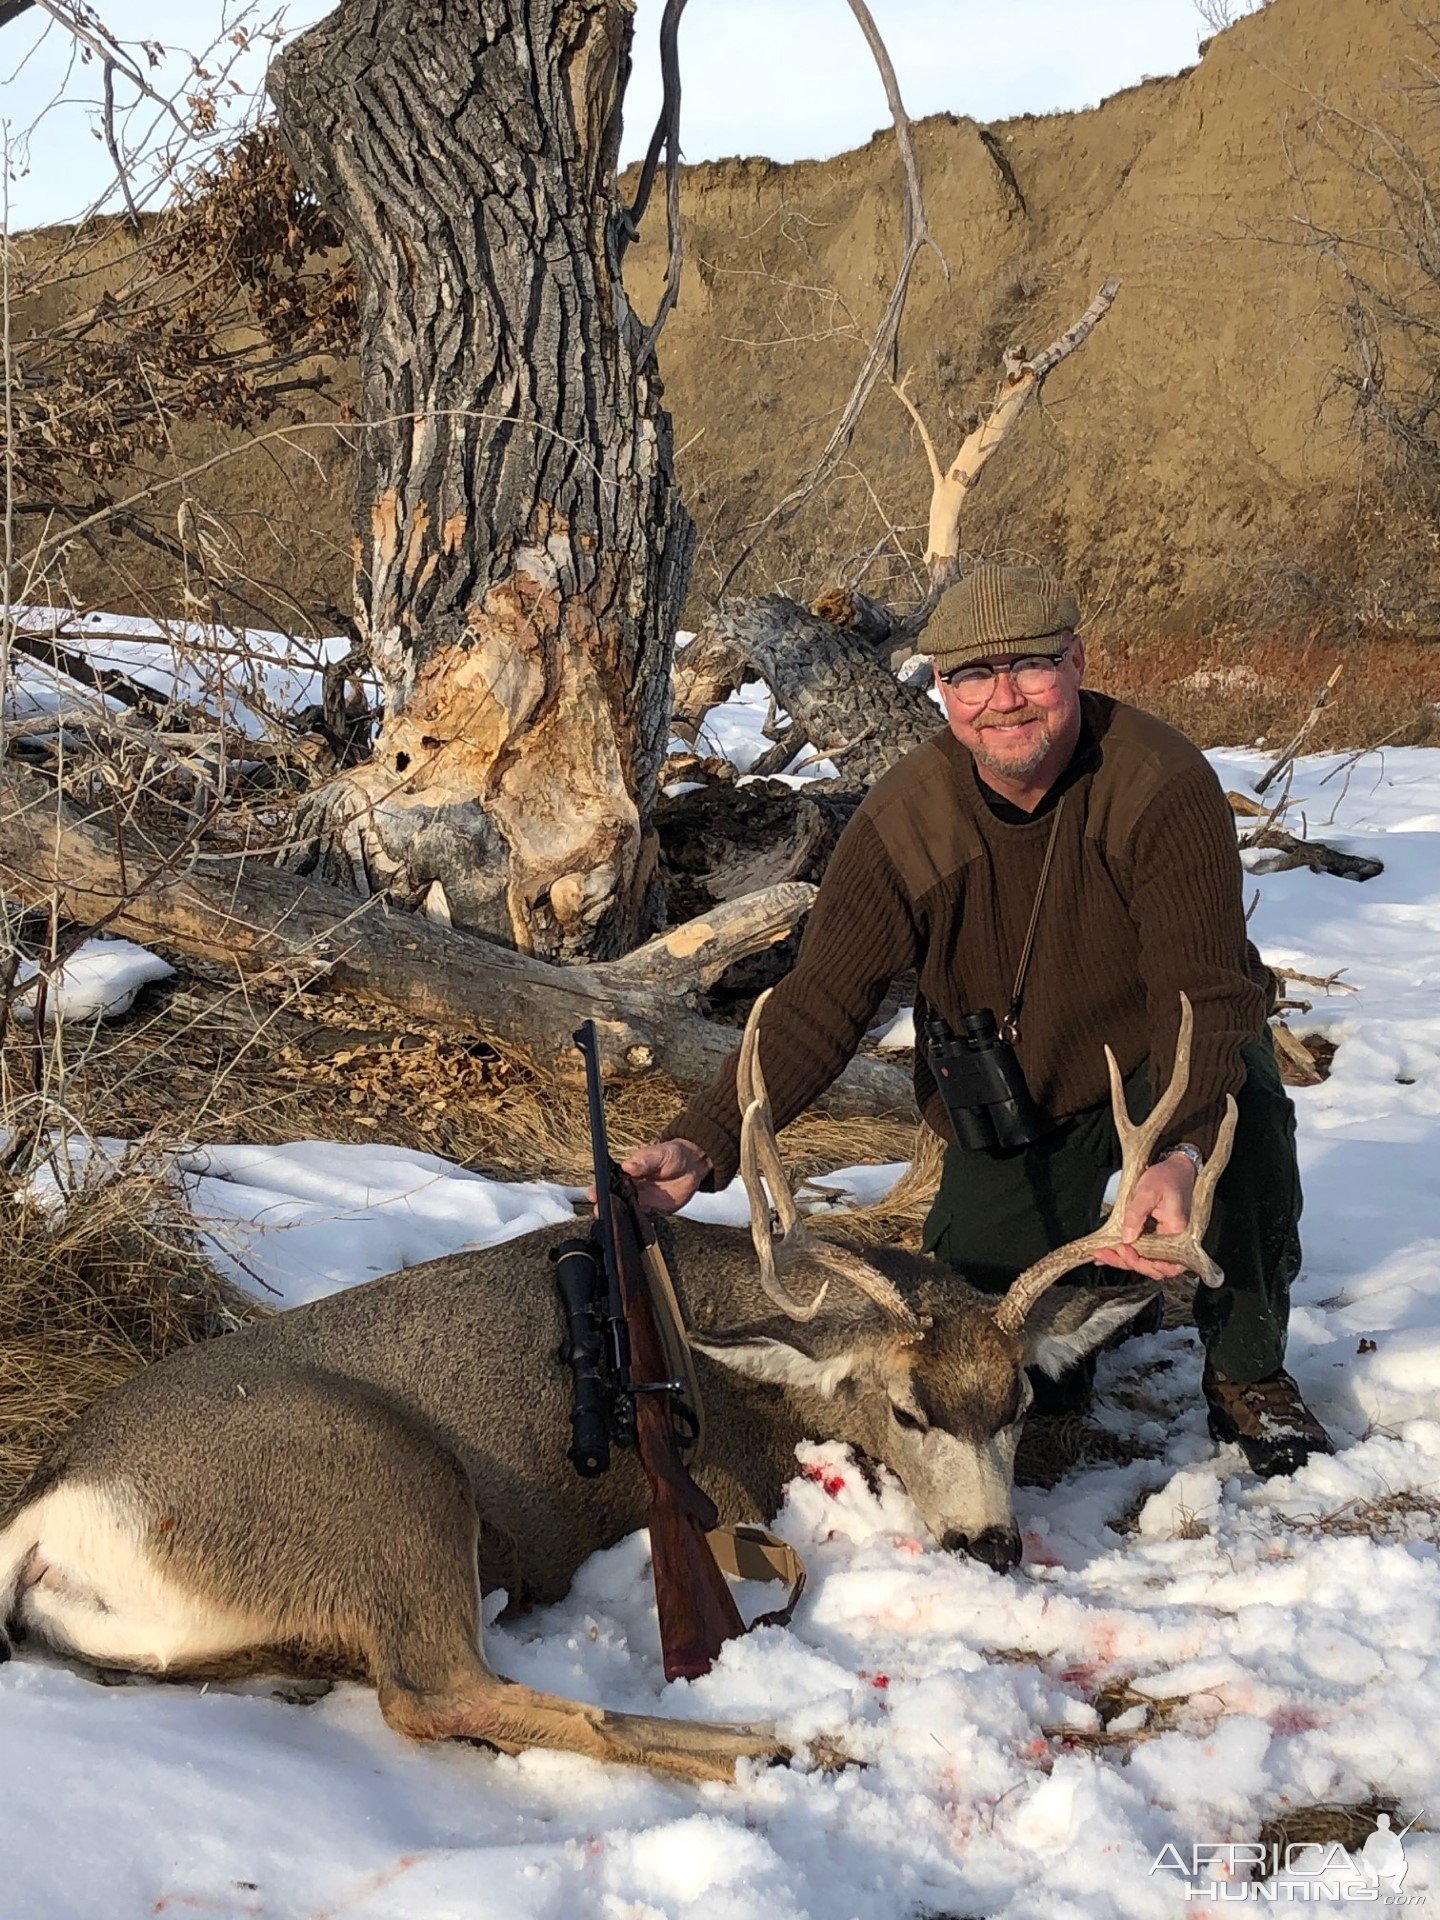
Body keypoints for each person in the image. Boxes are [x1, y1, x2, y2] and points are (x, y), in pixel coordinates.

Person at [627, 563, 1334, 1480]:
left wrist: (1181, 1151)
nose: (1004, 700)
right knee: (975, 1316)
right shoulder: (903, 825)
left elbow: (1203, 992)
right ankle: (1077, 1333)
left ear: (1077, 661)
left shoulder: (1161, 783)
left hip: (1165, 1056)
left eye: (1031, 667)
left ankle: (1250, 1373)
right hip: (1017, 1091)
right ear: (943, 691)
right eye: (971, 676)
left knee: (1240, 1130)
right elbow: (819, 1003)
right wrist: (701, 1142)